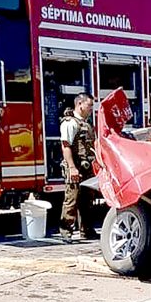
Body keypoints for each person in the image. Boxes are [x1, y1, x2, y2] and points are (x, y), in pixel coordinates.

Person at [59, 92, 99, 243]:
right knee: (72, 199)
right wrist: (72, 167)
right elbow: (66, 146)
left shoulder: (86, 123)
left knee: (87, 200)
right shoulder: (70, 123)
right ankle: (66, 231)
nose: (91, 109)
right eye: (89, 105)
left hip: (87, 167)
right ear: (80, 104)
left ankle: (86, 230)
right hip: (75, 166)